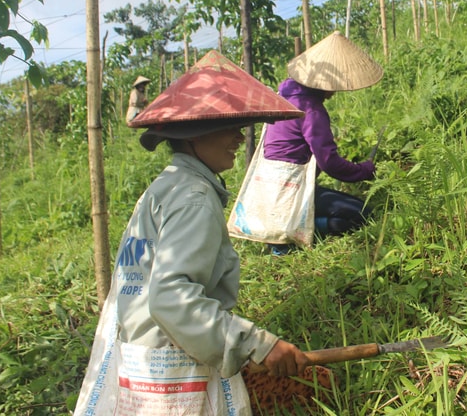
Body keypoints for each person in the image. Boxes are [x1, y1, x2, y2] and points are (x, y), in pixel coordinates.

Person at [74, 51, 331, 415]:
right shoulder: (195, 199)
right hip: (173, 365)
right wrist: (259, 344)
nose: (239, 138)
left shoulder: (166, 187)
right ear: (197, 134)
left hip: (142, 358)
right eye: (230, 127)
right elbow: (171, 298)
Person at [263, 31, 383, 251]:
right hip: (290, 192)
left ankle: (287, 228)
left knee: (354, 207)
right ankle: (292, 233)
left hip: (269, 189)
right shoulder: (310, 110)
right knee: (364, 215)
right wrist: (365, 170)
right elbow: (329, 163)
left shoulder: (285, 95)